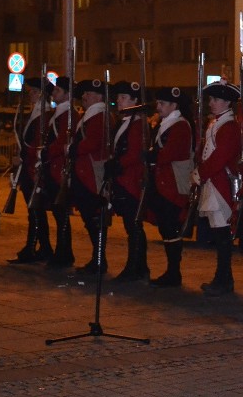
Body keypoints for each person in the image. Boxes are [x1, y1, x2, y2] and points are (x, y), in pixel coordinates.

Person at [195, 80, 242, 297]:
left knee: (223, 235)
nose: (211, 103)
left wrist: (201, 173)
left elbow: (220, 156)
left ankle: (224, 279)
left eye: (215, 99)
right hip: (213, 182)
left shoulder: (229, 126)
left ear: (226, 102)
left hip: (220, 183)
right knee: (220, 234)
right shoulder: (217, 123)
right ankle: (223, 278)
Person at [146, 87, 193, 287]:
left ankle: (174, 272)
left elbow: (171, 152)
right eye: (158, 103)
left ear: (174, 105)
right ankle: (171, 270)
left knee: (171, 228)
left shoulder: (180, 126)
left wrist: (152, 156)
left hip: (173, 184)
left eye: (162, 104)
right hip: (162, 182)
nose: (158, 107)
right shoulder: (166, 123)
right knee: (165, 228)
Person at [107, 81, 150, 282]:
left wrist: (118, 164)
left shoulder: (138, 123)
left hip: (132, 180)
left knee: (133, 225)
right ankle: (139, 266)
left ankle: (135, 267)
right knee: (130, 225)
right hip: (123, 178)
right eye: (119, 97)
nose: (118, 101)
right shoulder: (125, 121)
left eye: (123, 98)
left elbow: (135, 153)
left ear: (135, 101)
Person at [9, 77, 54, 264]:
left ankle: (34, 248)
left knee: (35, 210)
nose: (30, 95)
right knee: (34, 211)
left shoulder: (44, 115)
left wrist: (24, 158)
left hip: (33, 169)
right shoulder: (36, 114)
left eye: (34, 92)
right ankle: (42, 247)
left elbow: (38, 145)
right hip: (28, 168)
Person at [72, 79, 112, 274]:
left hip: (92, 173)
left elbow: (93, 143)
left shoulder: (99, 116)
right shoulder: (90, 115)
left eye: (88, 93)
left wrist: (73, 148)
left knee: (94, 217)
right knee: (89, 217)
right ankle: (97, 258)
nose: (84, 96)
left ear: (98, 97)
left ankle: (99, 259)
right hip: (84, 172)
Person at [43, 76, 79, 268]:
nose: (54, 93)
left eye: (58, 90)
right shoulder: (58, 113)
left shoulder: (69, 115)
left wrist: (47, 152)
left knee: (61, 212)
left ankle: (64, 252)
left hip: (60, 169)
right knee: (58, 212)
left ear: (67, 94)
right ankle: (62, 250)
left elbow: (63, 141)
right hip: (53, 166)